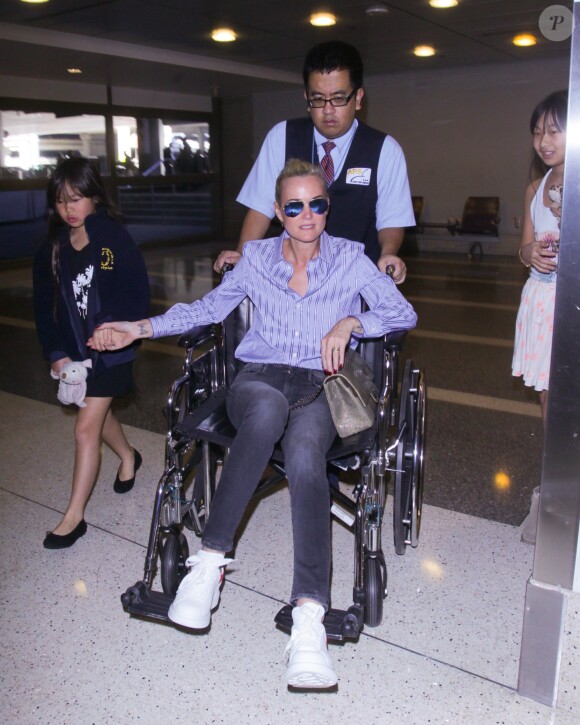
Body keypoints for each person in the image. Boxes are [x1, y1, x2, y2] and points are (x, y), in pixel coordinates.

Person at [88, 159, 417, 689]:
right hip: (259, 379)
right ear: (279, 212)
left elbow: (403, 314)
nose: (307, 215)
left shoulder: (353, 260)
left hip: (320, 384)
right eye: (294, 205)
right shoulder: (258, 258)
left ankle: (308, 617)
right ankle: (209, 564)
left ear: (326, 207)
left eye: (317, 204)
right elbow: (210, 308)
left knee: (308, 450)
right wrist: (139, 327)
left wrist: (353, 320)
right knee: (266, 411)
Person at [215, 40, 415, 283]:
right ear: (306, 97)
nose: (328, 110)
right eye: (318, 99)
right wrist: (243, 256)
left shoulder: (384, 150)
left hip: (357, 281)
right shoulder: (282, 136)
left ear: (359, 98)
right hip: (292, 281)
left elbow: (391, 219)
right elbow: (260, 207)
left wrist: (389, 255)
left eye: (339, 98)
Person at [33, 157, 150, 550]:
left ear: (95, 198)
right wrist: (57, 354)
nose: (69, 208)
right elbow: (43, 308)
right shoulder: (52, 249)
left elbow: (134, 293)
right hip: (76, 357)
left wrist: (112, 328)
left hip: (112, 353)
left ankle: (74, 517)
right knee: (98, 417)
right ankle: (129, 455)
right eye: (62, 200)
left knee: (85, 427)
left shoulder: (112, 241)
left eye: (78, 198)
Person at [512, 90, 567, 545]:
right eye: (537, 131)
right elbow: (524, 248)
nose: (544, 140)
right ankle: (556, 489)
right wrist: (534, 254)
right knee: (551, 403)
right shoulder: (535, 186)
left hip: (572, 303)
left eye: (554, 129)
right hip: (543, 303)